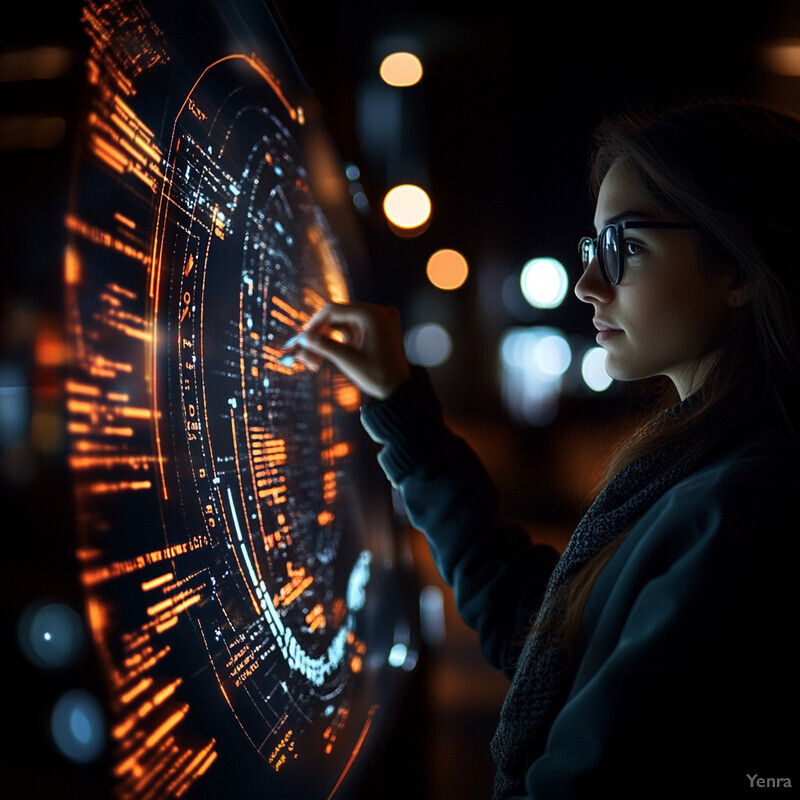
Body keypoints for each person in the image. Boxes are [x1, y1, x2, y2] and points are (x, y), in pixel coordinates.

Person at [287, 100, 800, 797]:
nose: (589, 285)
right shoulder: (703, 467)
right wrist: (402, 406)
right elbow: (547, 641)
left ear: (739, 266)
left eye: (627, 247)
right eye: (594, 248)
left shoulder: (740, 506)